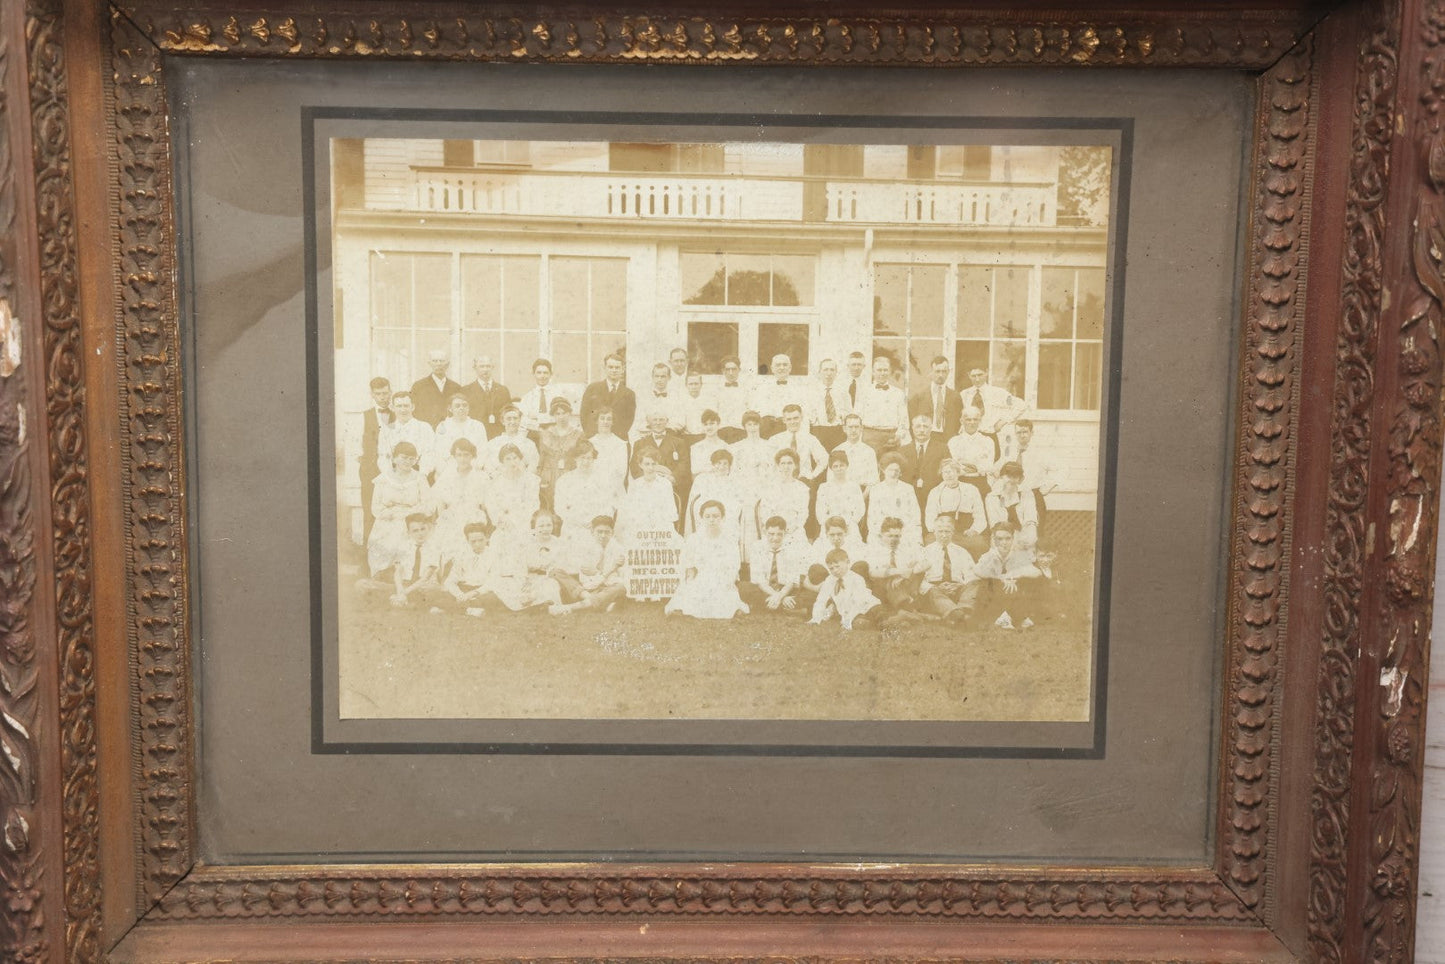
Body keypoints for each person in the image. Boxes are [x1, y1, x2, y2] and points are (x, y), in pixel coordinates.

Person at [665, 500, 749, 619]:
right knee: (693, 595)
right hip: (701, 577)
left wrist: (726, 582)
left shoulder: (729, 540)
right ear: (701, 518)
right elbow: (689, 566)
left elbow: (733, 566)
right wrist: (690, 583)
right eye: (707, 516)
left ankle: (732, 606)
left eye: (716, 516)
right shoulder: (694, 539)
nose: (711, 520)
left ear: (723, 517)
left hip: (722, 579)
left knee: (723, 598)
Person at [366, 440, 432, 579]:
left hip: (412, 521)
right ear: (394, 458)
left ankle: (406, 579)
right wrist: (389, 514)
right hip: (388, 520)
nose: (407, 462)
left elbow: (428, 505)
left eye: (411, 459)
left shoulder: (419, 478)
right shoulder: (383, 479)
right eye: (403, 457)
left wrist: (411, 515)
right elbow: (376, 507)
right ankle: (381, 577)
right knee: (384, 543)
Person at [968, 523, 1052, 629]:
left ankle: (1011, 617)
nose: (1004, 543)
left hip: (1013, 594)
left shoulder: (1018, 555)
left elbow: (1036, 572)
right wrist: (1001, 579)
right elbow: (977, 570)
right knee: (992, 582)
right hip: (993, 598)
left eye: (1008, 539)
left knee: (1025, 581)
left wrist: (1013, 576)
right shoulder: (989, 556)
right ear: (994, 540)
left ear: (1012, 539)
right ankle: (1007, 617)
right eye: (1000, 539)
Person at [549, 515, 628, 615]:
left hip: (606, 590)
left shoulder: (618, 550)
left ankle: (570, 607)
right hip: (585, 591)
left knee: (620, 588)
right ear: (592, 532)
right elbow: (587, 583)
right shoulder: (586, 548)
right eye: (599, 532)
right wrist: (608, 572)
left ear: (612, 533)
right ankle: (596, 603)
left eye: (607, 532)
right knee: (556, 572)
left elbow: (620, 581)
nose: (603, 536)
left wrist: (596, 573)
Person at [489, 510, 565, 612]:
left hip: (546, 578)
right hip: (528, 578)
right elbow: (520, 565)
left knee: (551, 586)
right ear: (534, 528)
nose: (545, 529)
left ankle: (538, 604)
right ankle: (532, 604)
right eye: (541, 526)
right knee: (501, 582)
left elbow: (557, 568)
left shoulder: (557, 543)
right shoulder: (527, 543)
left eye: (548, 525)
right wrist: (524, 581)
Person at [430, 437, 490, 559]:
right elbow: (439, 500)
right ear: (454, 456)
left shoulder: (481, 477)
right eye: (459, 455)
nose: (462, 459)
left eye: (466, 455)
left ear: (472, 456)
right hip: (452, 514)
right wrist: (442, 518)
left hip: (473, 516)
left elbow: (485, 506)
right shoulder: (447, 475)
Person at [376, 512, 448, 610]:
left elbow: (425, 578)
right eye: (415, 531)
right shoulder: (405, 546)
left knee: (432, 594)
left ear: (429, 529)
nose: (420, 534)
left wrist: (404, 593)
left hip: (423, 587)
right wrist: (400, 590)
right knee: (362, 585)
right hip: (406, 584)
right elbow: (398, 572)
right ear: (409, 532)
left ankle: (403, 602)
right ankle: (407, 602)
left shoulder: (434, 548)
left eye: (423, 529)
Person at [742, 515, 812, 614]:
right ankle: (787, 609)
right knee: (744, 587)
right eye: (771, 534)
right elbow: (759, 580)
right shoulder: (757, 547)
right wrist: (779, 597)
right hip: (765, 589)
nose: (775, 538)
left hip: (785, 589)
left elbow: (791, 581)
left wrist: (780, 595)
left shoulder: (792, 548)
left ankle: (763, 606)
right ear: (765, 532)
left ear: (785, 533)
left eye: (779, 534)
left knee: (809, 594)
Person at [862, 516, 928, 621]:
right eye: (890, 536)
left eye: (897, 536)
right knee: (889, 578)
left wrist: (903, 576)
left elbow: (926, 563)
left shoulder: (904, 550)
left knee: (917, 571)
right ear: (881, 535)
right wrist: (898, 572)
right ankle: (911, 610)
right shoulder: (874, 551)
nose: (893, 539)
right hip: (881, 590)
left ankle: (907, 613)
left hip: (903, 587)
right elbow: (872, 573)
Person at [553, 440, 621, 540]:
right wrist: (578, 522)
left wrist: (598, 522)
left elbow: (610, 505)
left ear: (594, 459)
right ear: (575, 458)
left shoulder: (603, 480)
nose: (585, 462)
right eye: (582, 458)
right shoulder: (564, 480)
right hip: (572, 530)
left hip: (597, 530)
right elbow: (559, 507)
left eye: (589, 458)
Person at [919, 513, 980, 622]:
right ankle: (959, 615)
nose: (944, 535)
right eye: (940, 531)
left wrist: (959, 585)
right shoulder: (925, 552)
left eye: (947, 531)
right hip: (935, 590)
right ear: (934, 532)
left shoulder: (961, 551)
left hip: (957, 588)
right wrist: (935, 587)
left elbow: (971, 575)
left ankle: (962, 610)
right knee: (932, 592)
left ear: (953, 532)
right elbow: (919, 580)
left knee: (975, 583)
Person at [924, 458, 989, 557]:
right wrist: (938, 530)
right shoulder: (935, 492)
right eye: (945, 472)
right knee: (933, 546)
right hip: (943, 530)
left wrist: (974, 529)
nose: (948, 475)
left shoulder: (971, 489)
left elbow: (980, 515)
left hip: (965, 531)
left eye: (951, 472)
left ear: (958, 473)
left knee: (979, 545)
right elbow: (930, 516)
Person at [809, 547, 883, 630]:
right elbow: (821, 601)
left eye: (837, 566)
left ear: (847, 562)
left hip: (864, 606)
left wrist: (847, 620)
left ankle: (885, 622)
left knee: (878, 612)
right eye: (831, 569)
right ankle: (867, 623)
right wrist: (816, 618)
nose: (835, 571)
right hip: (850, 612)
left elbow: (858, 602)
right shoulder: (830, 580)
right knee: (858, 623)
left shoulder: (856, 579)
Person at [1007, 420, 1058, 538]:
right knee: (1014, 532)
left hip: (1034, 495)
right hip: (1013, 496)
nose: (1022, 435)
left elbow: (1060, 469)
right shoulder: (1010, 451)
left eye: (1025, 432)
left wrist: (1046, 488)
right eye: (1019, 432)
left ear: (1031, 433)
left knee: (1035, 533)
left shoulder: (1040, 453)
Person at [444, 521, 506, 617]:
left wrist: (474, 593)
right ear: (467, 540)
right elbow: (450, 580)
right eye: (473, 541)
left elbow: (493, 581)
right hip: (464, 589)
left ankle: (456, 609)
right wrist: (459, 595)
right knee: (438, 594)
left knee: (495, 598)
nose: (477, 544)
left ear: (487, 538)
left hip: (483, 591)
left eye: (481, 540)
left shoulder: (494, 555)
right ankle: (470, 610)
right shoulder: (462, 555)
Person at [358, 376, 392, 543]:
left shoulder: (397, 413)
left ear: (390, 392)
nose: (383, 397)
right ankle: (367, 554)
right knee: (369, 510)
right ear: (372, 394)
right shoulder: (364, 416)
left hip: (392, 470)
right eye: (378, 394)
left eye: (385, 393)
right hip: (370, 470)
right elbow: (356, 447)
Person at [484, 443, 541, 542]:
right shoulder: (496, 483)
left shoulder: (531, 481)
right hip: (505, 527)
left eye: (515, 458)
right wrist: (503, 521)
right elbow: (492, 507)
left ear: (520, 459)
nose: (512, 462)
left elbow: (533, 506)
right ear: (502, 462)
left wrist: (520, 523)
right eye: (508, 459)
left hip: (525, 526)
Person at [754, 449, 810, 545]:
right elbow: (765, 511)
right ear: (778, 466)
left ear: (795, 465)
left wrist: (790, 528)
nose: (786, 467)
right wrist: (775, 529)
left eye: (789, 463)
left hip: (793, 530)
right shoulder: (770, 486)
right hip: (773, 529)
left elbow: (803, 513)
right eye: (782, 463)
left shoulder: (802, 488)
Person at [617, 450, 679, 536]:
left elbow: (670, 511)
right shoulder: (635, 485)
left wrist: (657, 524)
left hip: (661, 526)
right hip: (640, 525)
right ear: (640, 465)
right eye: (647, 464)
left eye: (653, 464)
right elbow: (631, 511)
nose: (650, 468)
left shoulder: (665, 484)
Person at [855, 355, 909, 453]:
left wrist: (898, 436)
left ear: (890, 371)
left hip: (891, 438)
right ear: (873, 372)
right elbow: (857, 417)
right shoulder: (864, 392)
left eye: (885, 370)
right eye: (879, 370)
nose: (882, 373)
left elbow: (904, 420)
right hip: (869, 437)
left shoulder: (898, 394)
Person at [895, 413, 950, 507]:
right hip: (908, 499)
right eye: (918, 426)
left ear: (931, 428)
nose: (922, 430)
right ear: (912, 428)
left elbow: (947, 474)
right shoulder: (902, 451)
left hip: (934, 498)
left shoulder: (942, 449)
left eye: (925, 426)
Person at [865, 454, 922, 546]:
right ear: (883, 470)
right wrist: (883, 530)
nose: (893, 473)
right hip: (883, 529)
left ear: (900, 472)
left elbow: (914, 512)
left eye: (896, 470)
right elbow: (872, 515)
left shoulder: (907, 488)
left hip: (904, 529)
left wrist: (905, 529)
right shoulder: (876, 489)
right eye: (890, 470)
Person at [376, 392, 436, 479]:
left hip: (419, 474)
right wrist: (390, 477)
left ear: (412, 407)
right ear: (392, 408)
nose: (403, 410)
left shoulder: (424, 428)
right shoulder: (386, 430)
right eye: (399, 406)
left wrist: (422, 475)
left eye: (406, 406)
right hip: (394, 476)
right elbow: (383, 457)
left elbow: (429, 454)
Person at [631, 411, 691, 496]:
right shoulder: (640, 443)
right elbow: (634, 466)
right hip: (647, 487)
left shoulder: (679, 443)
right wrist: (646, 479)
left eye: (661, 420)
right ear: (649, 422)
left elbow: (684, 463)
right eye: (655, 420)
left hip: (672, 487)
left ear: (667, 422)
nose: (658, 423)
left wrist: (673, 478)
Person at [537, 397, 582, 510]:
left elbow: (580, 459)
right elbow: (541, 460)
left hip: (569, 475)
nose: (561, 417)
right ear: (553, 415)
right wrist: (539, 478)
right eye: (558, 413)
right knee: (548, 507)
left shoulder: (578, 435)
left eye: (564, 413)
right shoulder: (545, 434)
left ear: (570, 414)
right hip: (549, 476)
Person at [960, 365, 1028, 441]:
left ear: (986, 372)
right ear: (969, 375)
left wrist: (1003, 421)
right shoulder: (964, 394)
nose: (977, 379)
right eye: (973, 376)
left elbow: (1021, 405)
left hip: (989, 436)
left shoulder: (997, 393)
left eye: (980, 375)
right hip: (969, 438)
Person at [749, 353, 808, 437]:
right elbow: (755, 411)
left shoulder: (799, 389)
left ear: (790, 368)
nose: (781, 368)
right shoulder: (762, 388)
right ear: (772, 368)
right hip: (766, 429)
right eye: (778, 365)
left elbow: (803, 413)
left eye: (785, 365)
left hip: (789, 427)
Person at [985, 461, 1040, 550]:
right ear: (1002, 477)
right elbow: (995, 524)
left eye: (1015, 477)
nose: (1011, 480)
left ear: (1020, 479)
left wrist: (1027, 539)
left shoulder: (1026, 494)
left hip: (1024, 538)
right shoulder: (992, 497)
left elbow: (1031, 521)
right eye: (1008, 476)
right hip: (1001, 538)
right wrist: (1012, 542)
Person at [947, 406, 1000, 500]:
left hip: (980, 484)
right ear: (961, 421)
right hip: (960, 483)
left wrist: (969, 466)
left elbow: (988, 466)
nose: (972, 423)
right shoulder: (953, 441)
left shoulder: (988, 441)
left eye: (975, 419)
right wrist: (977, 465)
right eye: (968, 419)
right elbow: (955, 467)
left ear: (980, 421)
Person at [579, 352, 637, 438]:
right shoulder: (592, 389)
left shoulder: (629, 394)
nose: (614, 370)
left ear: (623, 369)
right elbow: (584, 415)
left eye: (617, 367)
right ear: (605, 368)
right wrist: (592, 435)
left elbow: (629, 420)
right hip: (594, 439)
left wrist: (614, 438)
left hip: (617, 440)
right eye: (610, 367)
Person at [431, 394, 488, 478]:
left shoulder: (478, 426)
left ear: (468, 408)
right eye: (457, 406)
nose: (461, 408)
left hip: (473, 469)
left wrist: (473, 468)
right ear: (450, 408)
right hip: (448, 470)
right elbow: (439, 453)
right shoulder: (443, 426)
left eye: (465, 405)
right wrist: (449, 471)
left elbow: (483, 451)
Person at [804, 515, 868, 591]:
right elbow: (806, 576)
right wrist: (816, 588)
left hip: (850, 588)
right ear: (826, 534)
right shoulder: (819, 546)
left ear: (846, 532)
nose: (836, 538)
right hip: (825, 587)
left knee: (860, 566)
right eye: (832, 535)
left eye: (839, 534)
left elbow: (860, 572)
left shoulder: (855, 546)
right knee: (816, 569)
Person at [772, 403, 829, 485]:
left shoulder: (810, 438)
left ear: (801, 418)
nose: (793, 422)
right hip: (781, 483)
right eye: (789, 419)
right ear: (784, 420)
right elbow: (769, 463)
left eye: (795, 418)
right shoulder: (775, 439)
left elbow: (824, 459)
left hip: (804, 482)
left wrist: (812, 476)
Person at [813, 452, 865, 542]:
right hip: (829, 526)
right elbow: (820, 511)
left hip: (849, 526)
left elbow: (860, 509)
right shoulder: (824, 487)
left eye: (841, 465)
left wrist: (848, 524)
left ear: (846, 466)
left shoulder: (854, 487)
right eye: (835, 466)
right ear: (831, 468)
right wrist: (830, 526)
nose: (839, 468)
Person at [908, 355, 963, 439]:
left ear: (948, 372)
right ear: (931, 372)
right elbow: (911, 421)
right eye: (937, 371)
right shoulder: (919, 396)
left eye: (944, 371)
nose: (940, 375)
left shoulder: (955, 396)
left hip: (947, 439)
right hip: (926, 438)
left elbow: (959, 422)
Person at [460, 354, 512, 440]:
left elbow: (508, 414)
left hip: (498, 436)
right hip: (474, 436)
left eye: (488, 366)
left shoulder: (503, 390)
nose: (485, 370)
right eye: (482, 366)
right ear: (475, 368)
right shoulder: (466, 391)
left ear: (492, 368)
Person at [482, 405, 539, 477]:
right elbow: (488, 465)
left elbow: (533, 466)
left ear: (520, 420)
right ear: (503, 421)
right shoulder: (493, 443)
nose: (512, 421)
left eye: (515, 418)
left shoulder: (529, 444)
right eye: (508, 419)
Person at [409, 349, 462, 426]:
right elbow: (413, 411)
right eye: (435, 361)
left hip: (450, 430)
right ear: (429, 363)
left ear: (447, 364)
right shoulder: (418, 386)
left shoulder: (456, 387)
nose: (438, 364)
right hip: (427, 430)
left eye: (441, 361)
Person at [519, 358, 569, 436]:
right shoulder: (527, 398)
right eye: (539, 373)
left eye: (545, 373)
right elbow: (524, 422)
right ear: (533, 374)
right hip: (534, 435)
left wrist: (536, 418)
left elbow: (561, 418)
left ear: (551, 374)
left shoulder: (559, 395)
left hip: (555, 434)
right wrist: (546, 419)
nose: (542, 376)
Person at [809, 358, 850, 452]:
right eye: (825, 369)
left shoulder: (843, 391)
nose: (829, 373)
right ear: (819, 372)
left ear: (836, 373)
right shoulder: (811, 391)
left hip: (838, 431)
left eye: (832, 370)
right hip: (818, 431)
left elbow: (849, 412)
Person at [586, 408, 630, 494]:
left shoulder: (620, 444)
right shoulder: (590, 443)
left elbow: (621, 472)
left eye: (609, 419)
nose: (605, 422)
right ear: (597, 421)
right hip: (593, 489)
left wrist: (610, 490)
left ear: (612, 422)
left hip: (614, 490)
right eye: (602, 418)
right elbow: (587, 469)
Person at [833, 413, 880, 490]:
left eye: (856, 427)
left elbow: (874, 482)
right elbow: (831, 481)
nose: (853, 430)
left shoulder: (869, 452)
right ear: (844, 429)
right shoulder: (836, 451)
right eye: (850, 427)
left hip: (864, 493)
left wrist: (861, 499)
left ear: (861, 428)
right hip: (841, 492)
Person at [635, 362, 682, 436]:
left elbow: (679, 421)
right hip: (648, 435)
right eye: (657, 376)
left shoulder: (676, 397)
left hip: (669, 436)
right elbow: (640, 420)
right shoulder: (644, 397)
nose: (659, 379)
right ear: (652, 377)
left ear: (669, 377)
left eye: (663, 376)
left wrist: (662, 430)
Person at [713, 355, 749, 442]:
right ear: (723, 371)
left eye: (734, 369)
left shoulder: (747, 390)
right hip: (721, 431)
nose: (731, 373)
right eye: (727, 369)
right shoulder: (716, 390)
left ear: (739, 370)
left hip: (741, 431)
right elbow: (714, 412)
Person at [689, 410, 730, 478]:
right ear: (702, 426)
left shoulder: (725, 446)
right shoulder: (696, 447)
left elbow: (729, 471)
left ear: (718, 424)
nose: (709, 427)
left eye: (712, 423)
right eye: (706, 424)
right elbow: (694, 472)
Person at [679, 371, 716, 444]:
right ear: (686, 385)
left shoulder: (709, 401)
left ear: (701, 385)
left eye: (696, 384)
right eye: (691, 384)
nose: (694, 387)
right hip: (687, 437)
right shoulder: (681, 402)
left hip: (704, 436)